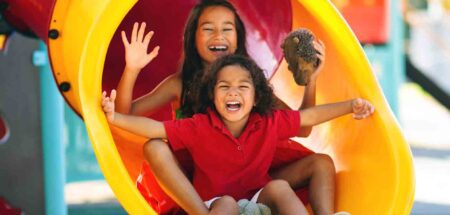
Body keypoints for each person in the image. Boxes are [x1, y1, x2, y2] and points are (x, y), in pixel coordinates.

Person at [116, 0, 334, 214]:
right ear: (193, 38)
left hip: (254, 183)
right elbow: (123, 115)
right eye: (208, 28)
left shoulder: (249, 84)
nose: (218, 35)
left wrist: (311, 81)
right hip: (203, 188)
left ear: (238, 38)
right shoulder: (180, 84)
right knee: (154, 146)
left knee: (321, 163)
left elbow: (303, 127)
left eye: (227, 29)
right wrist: (132, 69)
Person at [103, 54, 375, 215]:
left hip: (258, 199)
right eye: (224, 87)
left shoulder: (268, 121)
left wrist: (350, 106)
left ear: (257, 98)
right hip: (215, 206)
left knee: (279, 187)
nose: (233, 92)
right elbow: (155, 130)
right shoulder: (200, 125)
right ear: (212, 96)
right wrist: (116, 119)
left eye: (243, 87)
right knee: (227, 205)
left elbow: (309, 117)